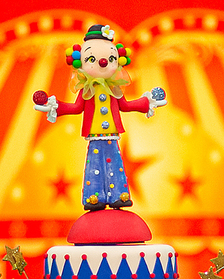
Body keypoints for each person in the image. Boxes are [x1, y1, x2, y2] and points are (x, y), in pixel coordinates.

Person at [31, 24, 166, 210]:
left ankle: (119, 195)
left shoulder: (114, 88)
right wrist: (55, 106)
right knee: (94, 163)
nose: (103, 63)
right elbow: (76, 108)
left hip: (112, 134)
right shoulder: (87, 89)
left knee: (115, 162)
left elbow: (125, 105)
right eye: (92, 59)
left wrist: (147, 102)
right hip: (94, 134)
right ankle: (94, 196)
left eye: (110, 59)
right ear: (81, 62)